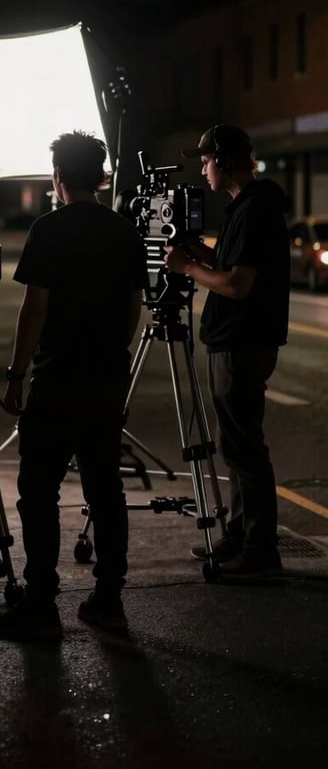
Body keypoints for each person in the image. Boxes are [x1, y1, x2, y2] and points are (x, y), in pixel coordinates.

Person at [0, 131, 148, 642]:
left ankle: (41, 602)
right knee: (106, 491)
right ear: (99, 176)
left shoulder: (49, 229)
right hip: (106, 378)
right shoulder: (124, 232)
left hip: (57, 379)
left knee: (39, 493)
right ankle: (108, 600)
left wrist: (16, 376)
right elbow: (132, 309)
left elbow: (36, 308)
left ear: (58, 177)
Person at [164, 124, 290, 580]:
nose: (203, 169)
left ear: (222, 159)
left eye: (205, 160)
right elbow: (231, 265)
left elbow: (238, 284)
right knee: (234, 446)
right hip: (235, 339)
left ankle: (260, 551)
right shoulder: (246, 207)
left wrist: (188, 266)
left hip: (242, 341)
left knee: (244, 449)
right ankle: (240, 535)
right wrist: (198, 251)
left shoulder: (256, 209)